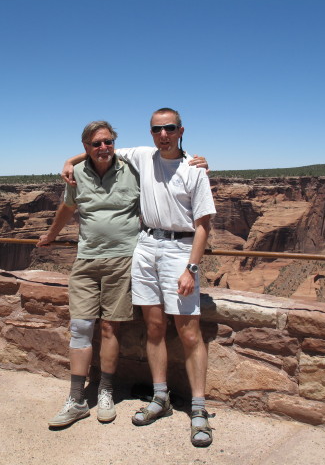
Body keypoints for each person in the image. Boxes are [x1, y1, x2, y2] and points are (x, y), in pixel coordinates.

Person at [62, 108, 216, 447]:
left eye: (170, 128)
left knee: (188, 330)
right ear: (150, 133)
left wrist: (191, 268)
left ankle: (199, 408)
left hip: (179, 250)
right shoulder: (143, 156)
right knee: (155, 326)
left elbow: (204, 225)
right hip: (145, 246)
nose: (163, 134)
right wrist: (69, 161)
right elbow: (101, 148)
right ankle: (159, 398)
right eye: (157, 129)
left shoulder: (194, 171)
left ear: (180, 130)